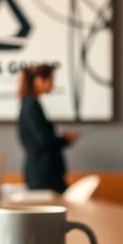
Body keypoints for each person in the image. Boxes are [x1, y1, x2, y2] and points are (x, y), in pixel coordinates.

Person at [18, 64, 78, 193]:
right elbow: (44, 140)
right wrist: (65, 140)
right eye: (51, 79)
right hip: (43, 175)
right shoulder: (31, 105)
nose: (53, 84)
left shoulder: (31, 104)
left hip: (44, 173)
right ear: (39, 80)